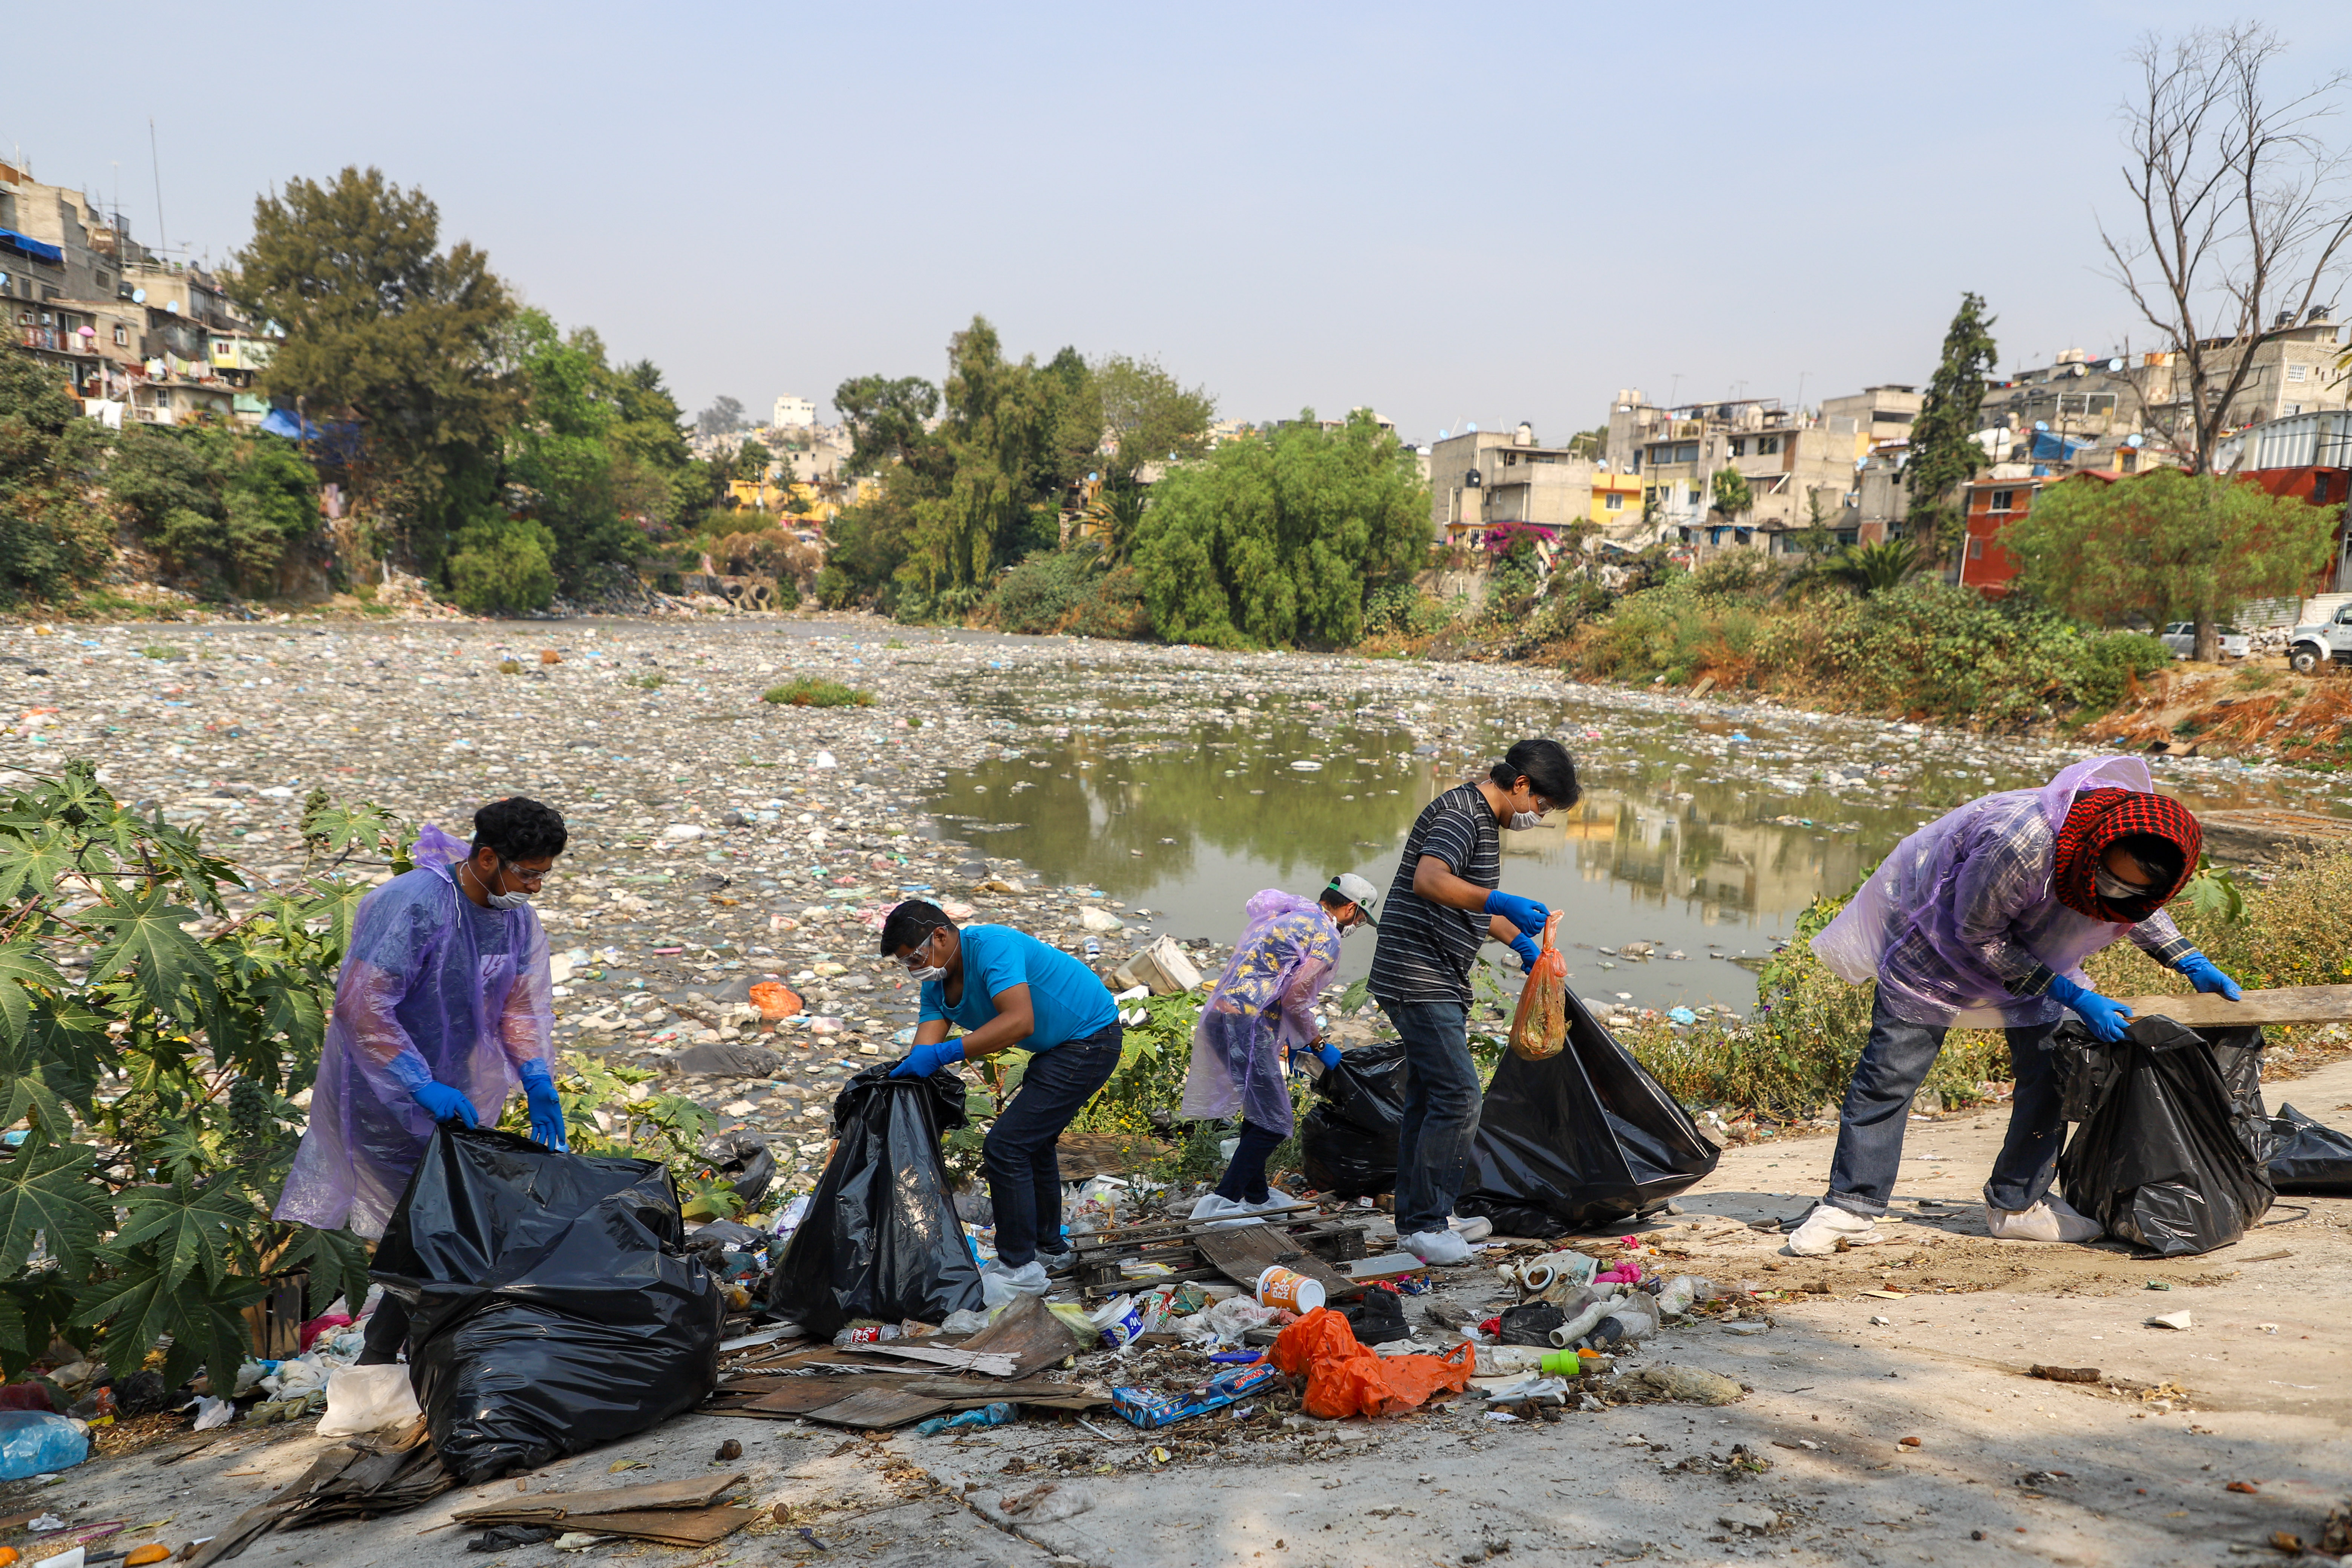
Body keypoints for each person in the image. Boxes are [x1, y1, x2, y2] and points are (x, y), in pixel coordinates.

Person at [1792, 755, 2240, 1256]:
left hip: (2039, 952)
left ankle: (2017, 1204)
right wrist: (2072, 994)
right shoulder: (2019, 842)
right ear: (2092, 851)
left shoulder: (2127, 874)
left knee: (2053, 1072)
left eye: (2132, 891)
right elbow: (1977, 934)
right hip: (1937, 948)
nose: (2112, 897)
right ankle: (1851, 1205)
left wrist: (2187, 960)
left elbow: (2135, 908)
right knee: (1889, 1077)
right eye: (2110, 881)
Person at [275, 796, 573, 1364]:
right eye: (529, 874)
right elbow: (363, 1007)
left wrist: (537, 1076)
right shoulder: (415, 904)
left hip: (457, 1089)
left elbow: (520, 1008)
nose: (536, 888)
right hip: (382, 1093)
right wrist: (418, 1083)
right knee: (438, 1228)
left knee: (442, 1227)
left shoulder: (514, 921)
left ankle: (398, 1357)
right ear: (487, 858)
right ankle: (386, 1361)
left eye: (543, 876)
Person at [1368, 739, 1582, 1265]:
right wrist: (1499, 898)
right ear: (1522, 785)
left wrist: (1523, 942)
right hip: (1417, 973)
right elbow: (1430, 880)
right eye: (1542, 806)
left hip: (1433, 972)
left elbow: (1468, 905)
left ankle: (1423, 1219)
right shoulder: (1462, 814)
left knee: (1429, 1097)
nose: (1539, 816)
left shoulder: (1483, 821)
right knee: (1461, 1095)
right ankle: (1426, 1224)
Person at [882, 900, 1122, 1296]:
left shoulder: (993, 946)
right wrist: (901, 1080)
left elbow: (1018, 1021)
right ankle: (1049, 1248)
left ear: (940, 935)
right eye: (905, 963)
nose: (914, 968)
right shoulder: (936, 985)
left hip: (1091, 1038)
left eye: (915, 957)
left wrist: (943, 1054)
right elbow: (924, 1046)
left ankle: (1018, 1266)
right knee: (1033, 1142)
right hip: (1057, 1047)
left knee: (1006, 1146)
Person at [1182, 875, 1380, 1226]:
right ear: (1351, 908)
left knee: (1259, 1111)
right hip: (1247, 1025)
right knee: (1275, 1123)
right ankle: (1221, 1204)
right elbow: (1296, 996)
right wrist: (1318, 1044)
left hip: (1221, 1019)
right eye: (1361, 918)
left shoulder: (1292, 916)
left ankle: (1256, 1196)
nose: (1358, 925)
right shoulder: (1327, 936)